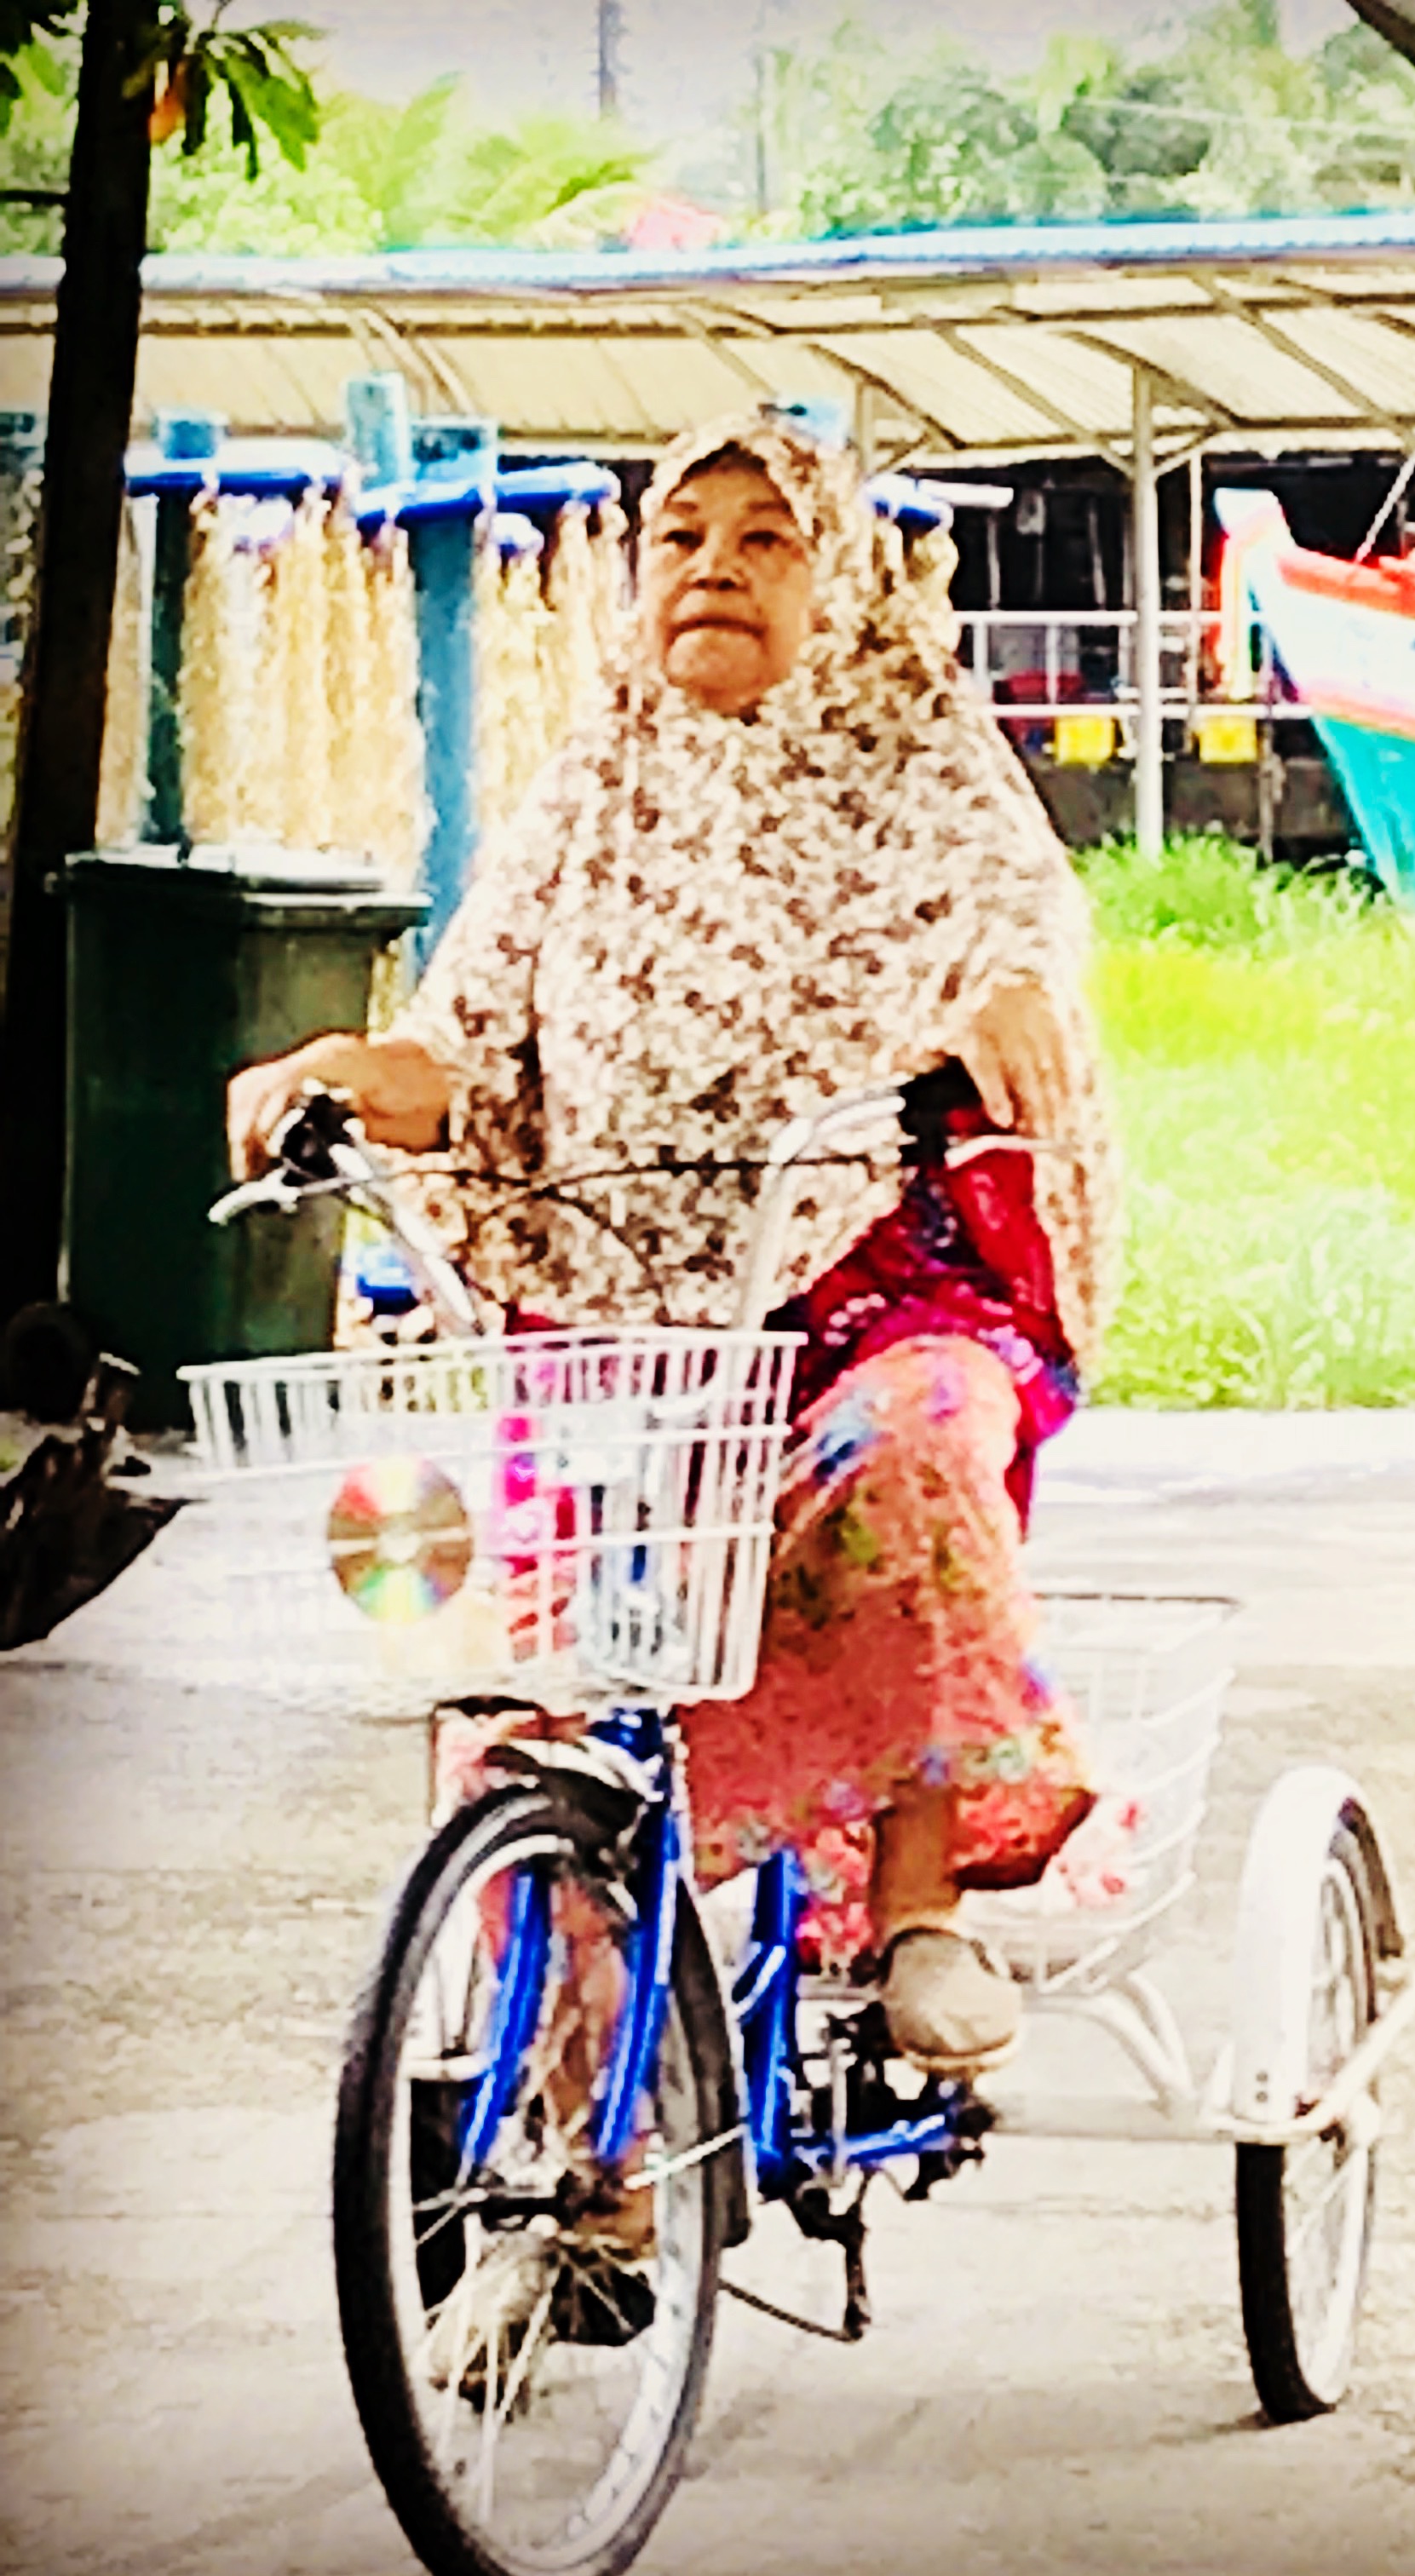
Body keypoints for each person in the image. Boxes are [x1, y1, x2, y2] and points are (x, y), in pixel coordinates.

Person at [225, 413, 1119, 2077]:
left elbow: (1023, 931)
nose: (713, 567)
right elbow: (459, 1048)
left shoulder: (917, 763)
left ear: (839, 582)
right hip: (625, 1346)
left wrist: (1004, 1010)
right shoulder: (592, 788)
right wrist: (337, 1072)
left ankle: (920, 1906)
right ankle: (593, 2157)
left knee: (921, 1447)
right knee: (532, 1722)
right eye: (680, 537)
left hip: (867, 1297)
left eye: (765, 537)